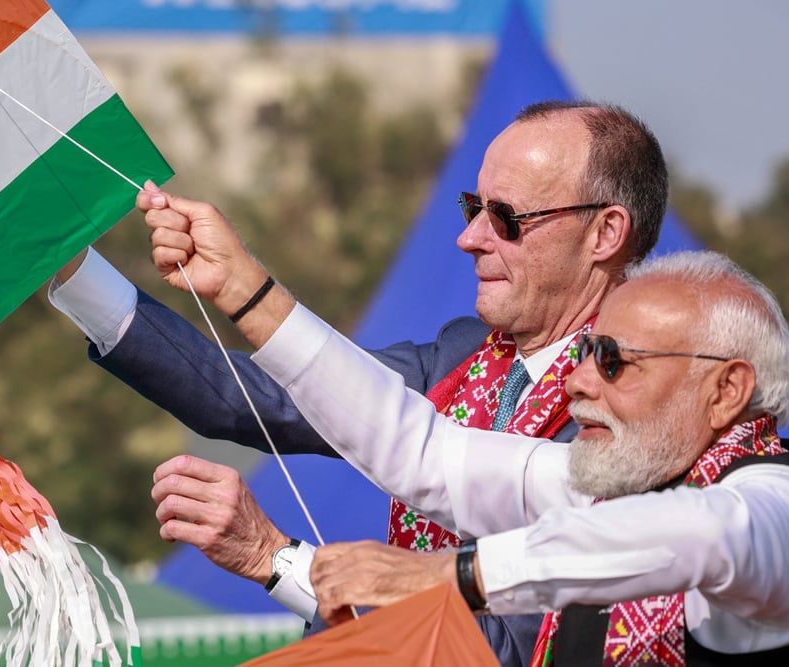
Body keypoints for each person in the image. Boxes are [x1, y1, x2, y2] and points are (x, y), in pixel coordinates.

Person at [50, 100, 668, 665]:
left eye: (505, 217)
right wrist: (71, 267)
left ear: (605, 233)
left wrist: (280, 559)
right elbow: (258, 401)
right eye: (470, 207)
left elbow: (500, 651)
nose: (469, 237)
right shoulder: (464, 356)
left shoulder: (638, 418)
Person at [145, 179, 789, 663]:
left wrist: (448, 575)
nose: (579, 378)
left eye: (614, 359)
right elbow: (421, 450)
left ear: (726, 389)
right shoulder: (619, 483)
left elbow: (705, 533)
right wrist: (243, 290)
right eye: (586, 351)